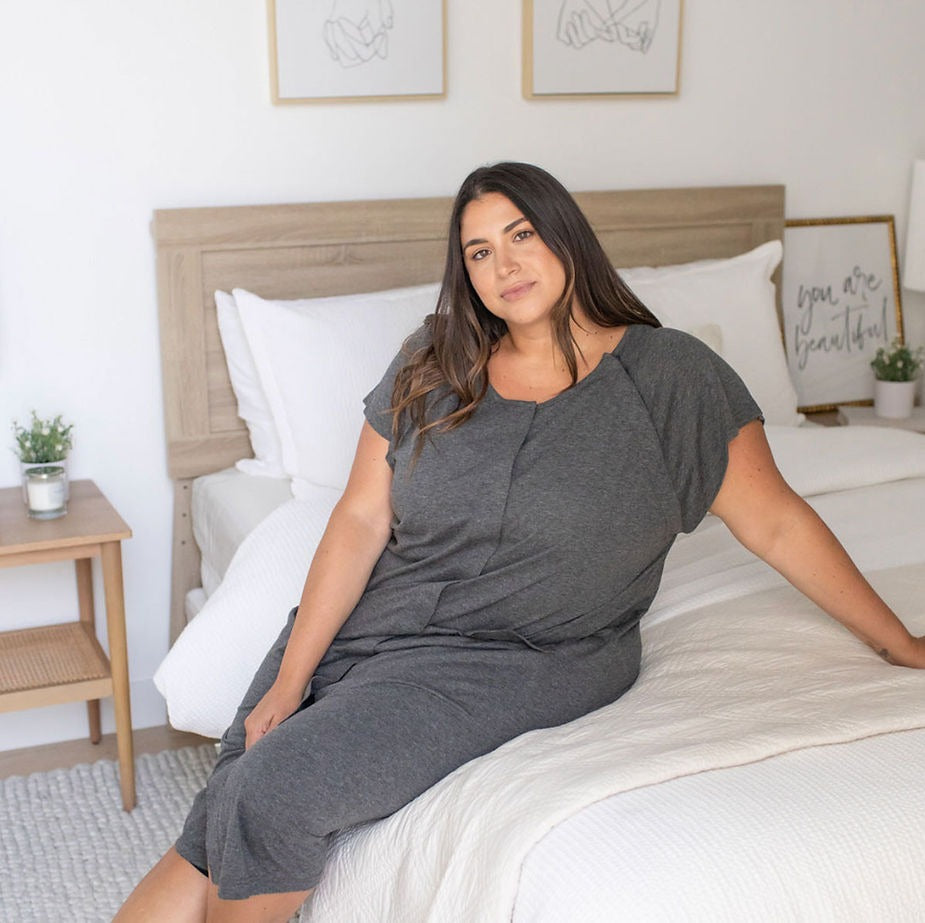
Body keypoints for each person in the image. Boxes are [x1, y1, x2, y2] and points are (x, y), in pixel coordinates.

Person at [116, 162, 925, 922]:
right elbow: (361, 520)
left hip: (524, 654)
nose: (502, 263)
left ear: (564, 235)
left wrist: (895, 641)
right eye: (478, 250)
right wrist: (289, 681)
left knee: (275, 790)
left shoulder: (671, 378)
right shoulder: (433, 359)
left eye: (521, 235)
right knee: (236, 782)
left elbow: (777, 521)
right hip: (371, 621)